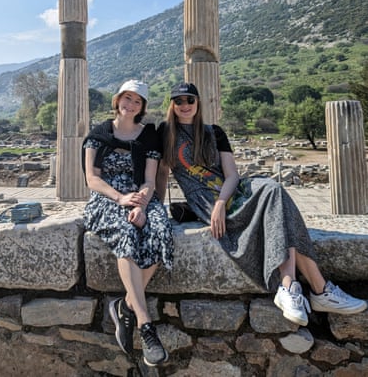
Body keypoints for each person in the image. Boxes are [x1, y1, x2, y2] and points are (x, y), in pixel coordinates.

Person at [156, 82, 367, 327]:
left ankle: (289, 287)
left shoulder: (214, 132)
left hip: (230, 194)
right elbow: (160, 174)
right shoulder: (164, 133)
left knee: (273, 189)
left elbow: (232, 175)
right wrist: (156, 211)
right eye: (179, 101)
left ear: (198, 103)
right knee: (280, 209)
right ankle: (319, 291)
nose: (184, 105)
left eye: (189, 100)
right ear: (172, 104)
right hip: (204, 200)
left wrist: (221, 203)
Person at [82, 79, 173, 367]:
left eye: (137, 101)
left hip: (141, 195)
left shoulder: (148, 135)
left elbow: (149, 179)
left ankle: (126, 305)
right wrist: (121, 199)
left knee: (159, 229)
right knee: (126, 230)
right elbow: (92, 179)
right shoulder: (99, 134)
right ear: (117, 99)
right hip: (107, 197)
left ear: (142, 106)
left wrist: (142, 204)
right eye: (127, 98)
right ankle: (146, 325)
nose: (130, 104)